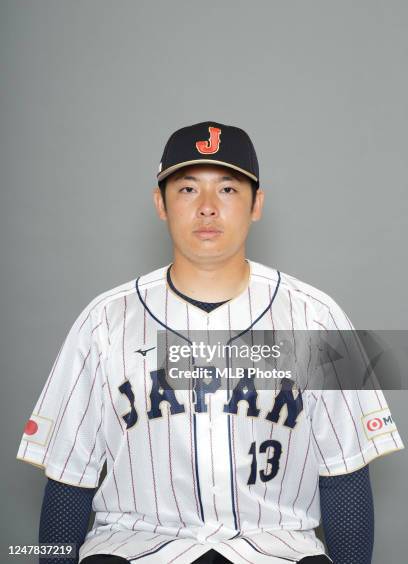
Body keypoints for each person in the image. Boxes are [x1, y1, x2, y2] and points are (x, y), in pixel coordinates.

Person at [17, 121, 404, 564]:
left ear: (256, 204)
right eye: (186, 190)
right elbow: (69, 479)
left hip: (277, 549)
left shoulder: (319, 317)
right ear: (159, 203)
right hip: (134, 548)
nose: (206, 208)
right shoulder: (103, 322)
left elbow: (345, 475)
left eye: (227, 190)